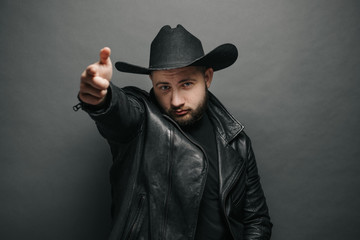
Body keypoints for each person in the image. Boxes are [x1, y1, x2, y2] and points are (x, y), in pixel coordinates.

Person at [75, 24, 272, 240]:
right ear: (152, 82)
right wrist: (102, 97)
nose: (176, 101)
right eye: (164, 87)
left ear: (207, 78)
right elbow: (120, 111)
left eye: (186, 84)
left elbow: (256, 220)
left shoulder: (237, 142)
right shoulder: (142, 121)